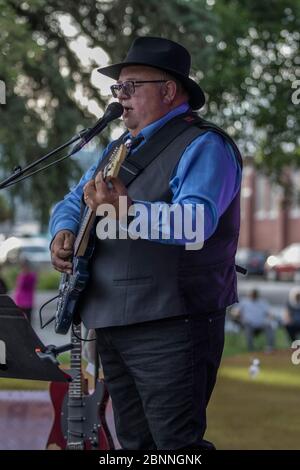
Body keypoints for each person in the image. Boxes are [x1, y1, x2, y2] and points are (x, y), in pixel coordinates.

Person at [50, 36, 242, 450]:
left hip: (173, 323)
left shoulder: (205, 145)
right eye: (117, 89)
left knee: (176, 446)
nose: (120, 99)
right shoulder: (118, 147)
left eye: (130, 87)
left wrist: (126, 209)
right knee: (135, 444)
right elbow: (72, 200)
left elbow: (196, 223)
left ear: (169, 90)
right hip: (116, 320)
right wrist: (62, 231)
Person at [14, 258, 37, 324]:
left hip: (27, 302)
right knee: (20, 321)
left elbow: (24, 285)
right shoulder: (21, 275)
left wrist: (25, 276)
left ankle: (27, 333)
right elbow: (18, 287)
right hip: (19, 302)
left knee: (28, 321)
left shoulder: (31, 276)